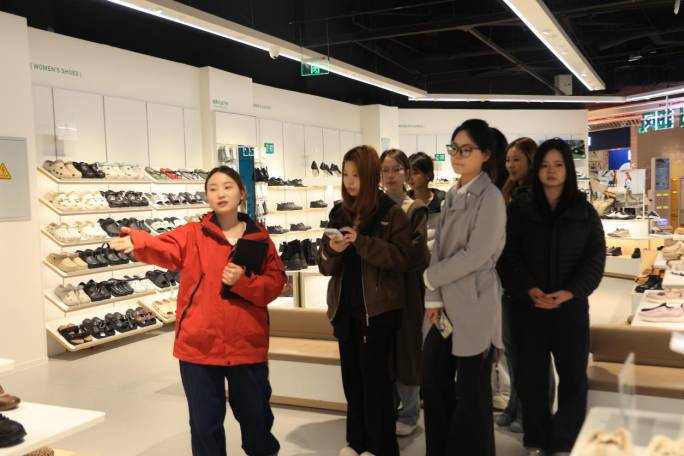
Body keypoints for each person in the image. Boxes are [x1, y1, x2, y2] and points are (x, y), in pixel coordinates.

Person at [111, 166, 286, 456]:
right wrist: (138, 241)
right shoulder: (192, 234)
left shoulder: (259, 238)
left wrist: (243, 282)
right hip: (199, 345)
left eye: (228, 187)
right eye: (213, 188)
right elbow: (163, 246)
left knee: (257, 423)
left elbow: (275, 284)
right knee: (205, 428)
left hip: (246, 345)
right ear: (207, 196)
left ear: (242, 193)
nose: (220, 193)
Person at [498, 139, 606, 456]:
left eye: (558, 165)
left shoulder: (584, 211)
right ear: (537, 169)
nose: (551, 171)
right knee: (530, 378)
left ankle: (564, 441)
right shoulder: (520, 208)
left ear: (568, 169)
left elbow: (595, 259)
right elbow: (508, 255)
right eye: (545, 164)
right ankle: (536, 439)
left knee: (573, 377)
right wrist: (529, 288)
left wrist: (570, 292)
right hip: (529, 307)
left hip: (570, 308)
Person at [319, 145, 412, 456]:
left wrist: (361, 242)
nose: (349, 181)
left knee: (376, 385)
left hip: (378, 313)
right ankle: (356, 443)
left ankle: (381, 447)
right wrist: (333, 250)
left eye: (356, 175)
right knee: (352, 383)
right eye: (346, 174)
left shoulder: (391, 213)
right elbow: (324, 266)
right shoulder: (338, 213)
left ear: (371, 175)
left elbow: (400, 259)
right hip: (345, 312)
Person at [421, 119, 506, 456]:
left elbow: (476, 254)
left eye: (466, 149)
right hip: (442, 309)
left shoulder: (491, 197)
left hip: (474, 305)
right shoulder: (453, 193)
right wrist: (432, 296)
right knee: (434, 381)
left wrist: (431, 278)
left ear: (485, 154)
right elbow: (440, 248)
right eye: (454, 148)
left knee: (473, 393)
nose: (457, 155)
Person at [498, 137, 556, 435]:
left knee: (537, 353)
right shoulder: (508, 194)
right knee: (512, 350)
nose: (510, 165)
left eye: (516, 159)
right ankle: (515, 405)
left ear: (531, 161)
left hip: (533, 287)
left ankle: (536, 410)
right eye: (508, 159)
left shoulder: (540, 198)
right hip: (508, 286)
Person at [380, 149, 429, 437]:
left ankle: (410, 414)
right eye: (385, 170)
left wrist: (381, 256)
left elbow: (416, 255)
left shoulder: (415, 208)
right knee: (384, 349)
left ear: (407, 173)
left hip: (408, 290)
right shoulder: (374, 208)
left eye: (396, 169)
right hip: (380, 291)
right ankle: (387, 409)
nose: (390, 175)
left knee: (408, 349)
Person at [407, 152, 446, 253]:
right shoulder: (405, 202)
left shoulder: (442, 202)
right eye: (408, 173)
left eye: (415, 173)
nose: (410, 178)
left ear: (428, 175)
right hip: (411, 259)